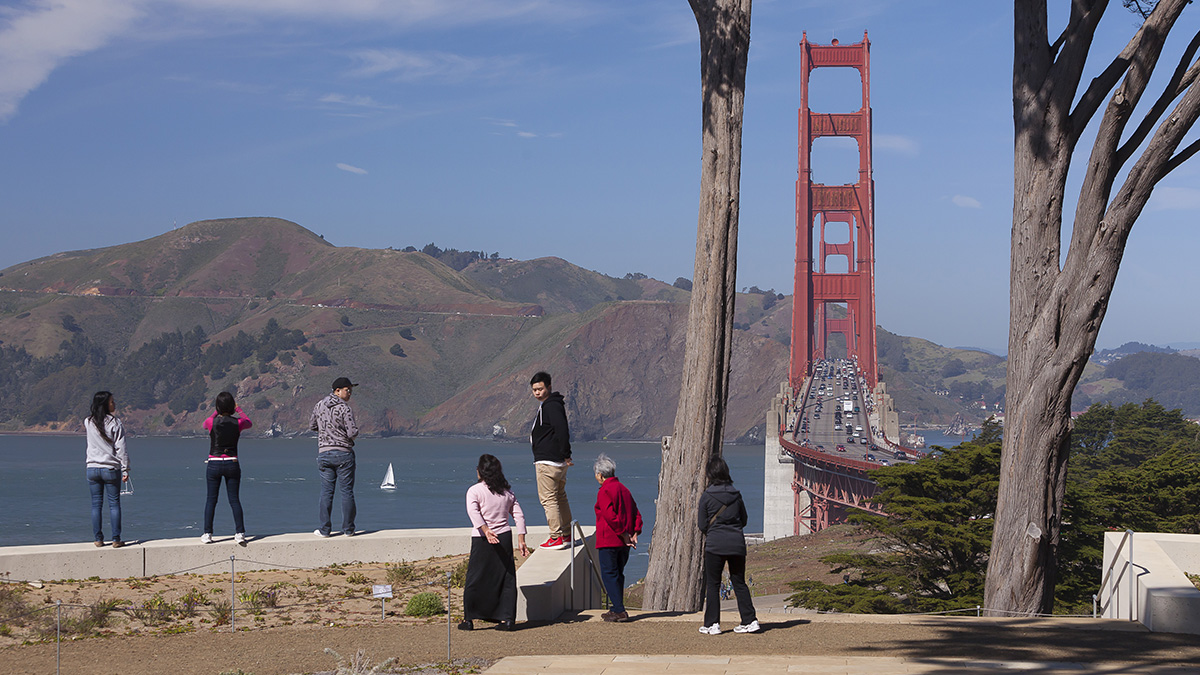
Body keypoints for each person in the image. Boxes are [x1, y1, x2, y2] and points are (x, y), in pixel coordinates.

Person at [460, 454, 529, 631]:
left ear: (480, 471)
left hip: (482, 538)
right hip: (504, 536)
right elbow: (519, 515)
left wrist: (485, 529)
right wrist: (521, 539)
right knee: (506, 578)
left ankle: (469, 619)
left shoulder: (474, 490)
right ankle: (507, 619)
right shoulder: (507, 492)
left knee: (475, 577)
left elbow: (473, 511)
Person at [697, 455, 758, 635]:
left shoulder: (707, 496)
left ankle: (712, 624)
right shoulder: (736, 495)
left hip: (715, 544)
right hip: (736, 544)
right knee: (739, 582)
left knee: (713, 584)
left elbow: (701, 524)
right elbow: (744, 520)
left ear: (710, 475)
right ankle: (749, 620)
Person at [593, 453, 642, 622]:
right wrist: (634, 532)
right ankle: (616, 607)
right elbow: (636, 512)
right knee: (618, 574)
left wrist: (623, 533)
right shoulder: (624, 489)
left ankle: (619, 609)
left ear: (600, 475)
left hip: (610, 539)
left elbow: (609, 515)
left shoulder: (605, 490)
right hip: (624, 542)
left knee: (609, 574)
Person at [200, 391, 252, 545]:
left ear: (218, 406)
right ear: (232, 406)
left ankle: (207, 533)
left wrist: (218, 410)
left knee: (211, 500)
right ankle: (240, 533)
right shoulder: (239, 423)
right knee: (234, 500)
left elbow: (205, 422)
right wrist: (238, 410)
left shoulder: (212, 422)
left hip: (214, 463)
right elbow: (249, 422)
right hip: (232, 462)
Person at [310, 376, 359, 538]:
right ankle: (348, 529)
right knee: (346, 492)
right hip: (343, 453)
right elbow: (352, 432)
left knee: (326, 492)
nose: (350, 393)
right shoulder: (344, 408)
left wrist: (326, 432)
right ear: (337, 391)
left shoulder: (319, 405)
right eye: (347, 390)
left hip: (324, 453)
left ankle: (324, 529)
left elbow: (312, 426)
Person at [529, 371, 572, 550]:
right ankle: (567, 534)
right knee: (560, 497)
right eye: (534, 390)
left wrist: (566, 453)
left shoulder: (550, 406)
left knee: (549, 499)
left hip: (548, 461)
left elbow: (561, 429)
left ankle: (556, 537)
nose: (537, 393)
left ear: (549, 387)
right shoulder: (550, 405)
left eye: (540, 389)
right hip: (556, 461)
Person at [85, 391, 129, 548]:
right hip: (110, 468)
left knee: (96, 504)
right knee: (114, 504)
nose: (114, 404)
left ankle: (98, 538)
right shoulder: (115, 423)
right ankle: (116, 539)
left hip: (92, 468)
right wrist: (125, 469)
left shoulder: (88, 422)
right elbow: (121, 448)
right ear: (105, 404)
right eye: (111, 402)